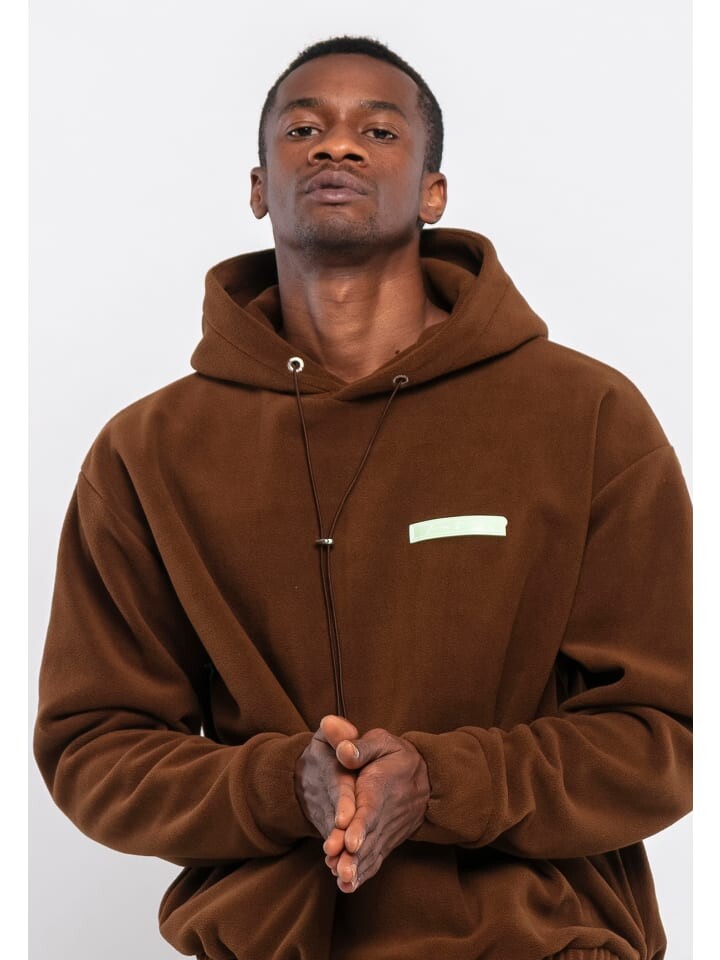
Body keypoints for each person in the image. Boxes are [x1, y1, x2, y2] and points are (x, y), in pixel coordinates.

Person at [33, 34, 692, 960]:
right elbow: (92, 746)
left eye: (378, 131)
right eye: (303, 129)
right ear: (258, 186)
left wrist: (441, 783)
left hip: (541, 944)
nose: (336, 145)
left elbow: (669, 733)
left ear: (433, 192)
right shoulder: (148, 451)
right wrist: (280, 787)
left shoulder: (586, 416)